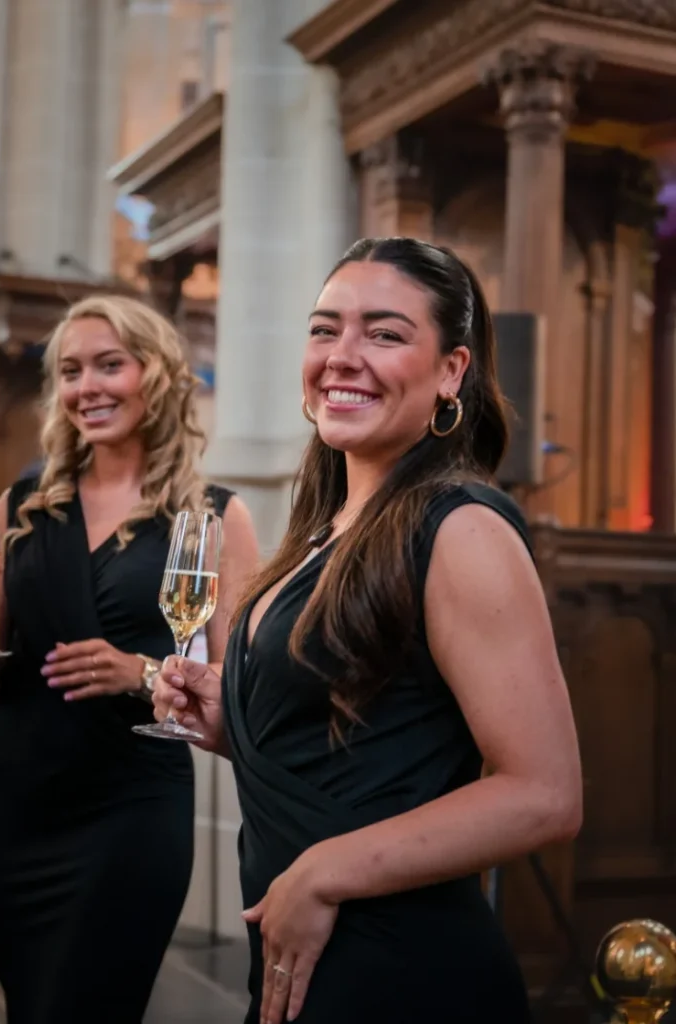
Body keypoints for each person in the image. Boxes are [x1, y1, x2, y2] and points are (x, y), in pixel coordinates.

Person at [153, 238, 583, 1024]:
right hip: (303, 962)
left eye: (384, 334)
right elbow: (359, 742)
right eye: (325, 330)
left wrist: (324, 873)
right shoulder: (327, 526)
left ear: (452, 371)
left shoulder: (460, 529)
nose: (341, 356)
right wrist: (235, 721)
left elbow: (545, 796)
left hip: (401, 969)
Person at [0, 295, 258, 1022]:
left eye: (111, 364)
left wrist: (140, 674)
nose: (88, 387)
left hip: (130, 813)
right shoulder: (22, 508)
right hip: (18, 806)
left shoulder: (213, 516)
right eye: (72, 370)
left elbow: (238, 692)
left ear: (158, 375)